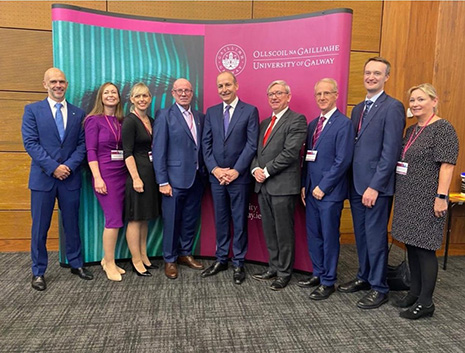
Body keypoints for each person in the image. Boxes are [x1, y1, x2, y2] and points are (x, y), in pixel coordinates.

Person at [338, 57, 405, 309]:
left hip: (375, 188)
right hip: (356, 185)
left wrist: (375, 186)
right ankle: (364, 277)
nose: (371, 77)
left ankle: (379, 287)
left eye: (377, 73)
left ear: (387, 77)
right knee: (362, 236)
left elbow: (390, 152)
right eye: (368, 72)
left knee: (376, 238)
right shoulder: (357, 108)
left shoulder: (393, 107)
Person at [21, 67, 93, 291]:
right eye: (53, 82)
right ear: (45, 84)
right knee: (40, 226)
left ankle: (76, 263)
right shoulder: (32, 110)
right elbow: (30, 143)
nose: (58, 85)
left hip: (70, 178)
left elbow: (82, 146)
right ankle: (38, 271)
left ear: (67, 85)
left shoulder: (78, 113)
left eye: (62, 81)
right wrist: (54, 168)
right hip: (43, 179)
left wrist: (67, 167)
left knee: (72, 223)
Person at [391, 83, 458, 319]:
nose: (416, 104)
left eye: (421, 99)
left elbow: (447, 165)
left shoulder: (443, 128)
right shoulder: (412, 131)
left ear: (434, 100)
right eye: (412, 101)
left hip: (428, 198)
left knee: (425, 249)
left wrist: (441, 197)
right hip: (408, 197)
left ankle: (426, 302)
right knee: (410, 245)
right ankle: (415, 293)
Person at [201, 71, 259, 285]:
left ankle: (239, 262)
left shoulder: (250, 111)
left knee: (240, 220)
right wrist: (215, 170)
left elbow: (251, 144)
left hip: (239, 178)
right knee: (221, 219)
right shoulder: (212, 112)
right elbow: (205, 145)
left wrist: (235, 171)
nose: (224, 89)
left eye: (227, 85)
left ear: (236, 86)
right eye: (220, 86)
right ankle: (221, 258)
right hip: (217, 178)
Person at [299, 78, 354, 300]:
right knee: (314, 235)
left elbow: (343, 160)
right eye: (319, 94)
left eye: (326, 94)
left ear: (335, 95)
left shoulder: (344, 124)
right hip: (311, 191)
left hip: (329, 193)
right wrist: (305, 184)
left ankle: (328, 280)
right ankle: (318, 273)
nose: (322, 98)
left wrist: (323, 186)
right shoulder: (313, 124)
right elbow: (307, 159)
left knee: (329, 235)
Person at [251, 80, 307, 291]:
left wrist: (266, 171)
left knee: (283, 232)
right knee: (269, 230)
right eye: (271, 94)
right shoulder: (264, 123)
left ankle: (284, 272)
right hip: (263, 186)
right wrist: (255, 169)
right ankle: (273, 267)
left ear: (288, 97)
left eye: (279, 93)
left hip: (283, 186)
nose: (274, 97)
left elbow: (290, 153)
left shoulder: (297, 120)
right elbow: (257, 152)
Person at [153, 78, 206, 280]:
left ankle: (185, 253)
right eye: (180, 91)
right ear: (173, 93)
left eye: (187, 90)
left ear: (192, 93)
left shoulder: (199, 117)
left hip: (196, 179)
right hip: (173, 181)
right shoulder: (165, 115)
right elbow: (158, 151)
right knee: (172, 221)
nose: (184, 94)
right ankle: (170, 259)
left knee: (190, 220)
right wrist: (163, 181)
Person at [84, 82, 127, 281]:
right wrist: (97, 177)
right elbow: (91, 151)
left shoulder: (121, 120)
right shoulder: (94, 120)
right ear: (101, 97)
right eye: (107, 92)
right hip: (105, 175)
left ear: (119, 97)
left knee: (118, 219)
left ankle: (106, 259)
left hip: (122, 174)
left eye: (114, 92)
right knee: (113, 219)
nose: (111, 95)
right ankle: (109, 263)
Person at [122, 82, 160, 277]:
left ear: (150, 98)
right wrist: (135, 178)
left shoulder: (151, 120)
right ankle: (136, 260)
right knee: (135, 219)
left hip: (150, 175)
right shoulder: (130, 121)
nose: (142, 99)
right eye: (138, 96)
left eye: (145, 96)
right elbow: (126, 152)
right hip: (137, 176)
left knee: (145, 219)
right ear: (132, 99)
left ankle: (144, 255)